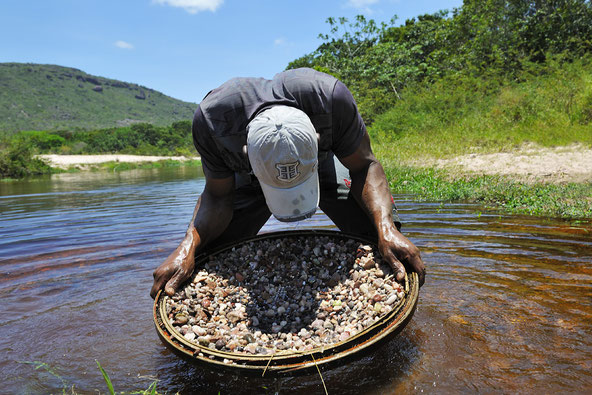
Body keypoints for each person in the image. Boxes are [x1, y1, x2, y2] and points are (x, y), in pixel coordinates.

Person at [150, 68, 425, 298]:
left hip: (323, 163)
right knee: (209, 256)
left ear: (317, 140)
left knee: (378, 236)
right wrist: (188, 246)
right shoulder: (213, 122)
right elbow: (218, 196)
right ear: (246, 155)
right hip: (248, 178)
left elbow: (364, 165)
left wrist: (385, 228)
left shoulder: (330, 100)